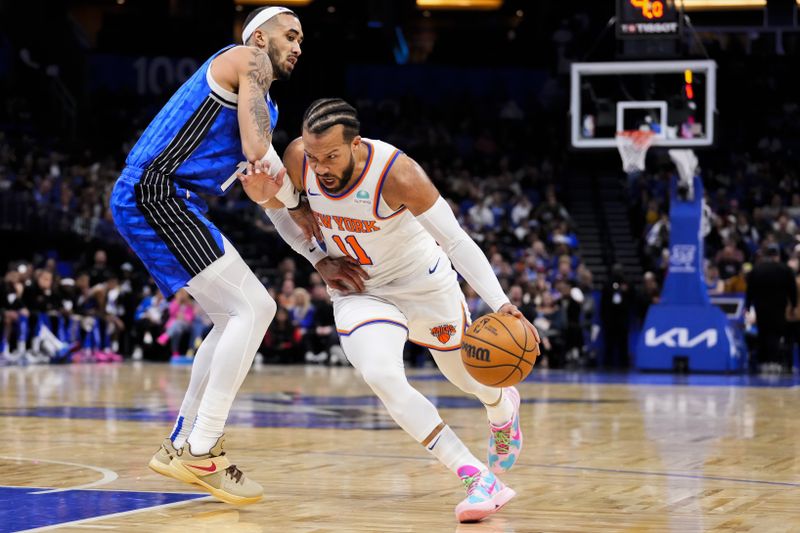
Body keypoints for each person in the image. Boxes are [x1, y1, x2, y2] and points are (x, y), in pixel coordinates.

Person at [267, 98, 541, 523]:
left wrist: (502, 303)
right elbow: (279, 209)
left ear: (356, 145)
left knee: (467, 378)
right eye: (314, 155)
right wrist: (317, 259)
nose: (319, 167)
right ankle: (476, 477)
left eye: (331, 156)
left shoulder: (397, 173)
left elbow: (456, 241)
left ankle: (502, 407)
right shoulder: (300, 158)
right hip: (361, 290)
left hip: (423, 284)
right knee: (381, 375)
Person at [109, 6, 317, 505]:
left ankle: (184, 442)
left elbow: (259, 188)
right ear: (259, 39)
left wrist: (304, 232)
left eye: (302, 39)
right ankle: (202, 449)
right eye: (290, 35)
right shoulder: (245, 59)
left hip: (172, 199)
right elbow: (257, 151)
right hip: (155, 192)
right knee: (256, 308)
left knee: (235, 317)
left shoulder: (267, 108)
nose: (298, 46)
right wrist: (297, 200)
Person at [745, 245, 797, 373]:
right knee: (775, 335)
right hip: (779, 307)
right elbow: (792, 290)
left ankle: (763, 362)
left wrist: (747, 305)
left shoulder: (756, 269)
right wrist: (794, 306)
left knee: (763, 333)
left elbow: (750, 290)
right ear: (777, 256)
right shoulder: (785, 269)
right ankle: (774, 363)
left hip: (761, 307)